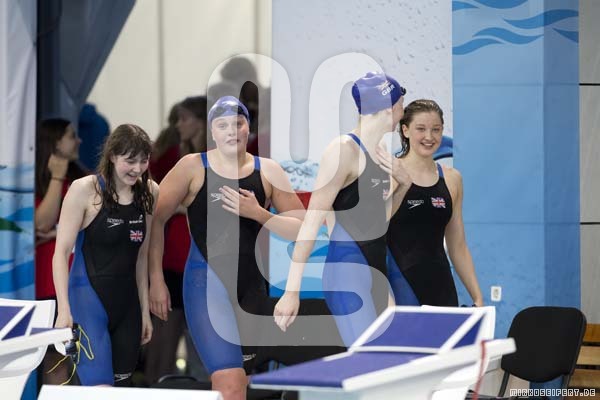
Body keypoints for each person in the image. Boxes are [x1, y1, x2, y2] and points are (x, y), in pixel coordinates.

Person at [148, 96, 304, 399]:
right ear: (212, 132)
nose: (231, 131)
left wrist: (260, 214)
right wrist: (156, 280)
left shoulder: (268, 171)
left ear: (248, 127)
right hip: (206, 285)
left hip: (251, 287)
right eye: (222, 125)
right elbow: (155, 219)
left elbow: (303, 228)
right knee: (230, 383)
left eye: (238, 123)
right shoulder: (193, 167)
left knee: (243, 384)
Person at [273, 72, 411, 346]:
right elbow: (311, 223)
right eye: (401, 104)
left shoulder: (380, 149)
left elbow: (380, 219)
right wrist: (291, 292)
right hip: (346, 272)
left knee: (391, 357)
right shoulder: (342, 151)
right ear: (388, 108)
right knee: (367, 361)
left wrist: (403, 184)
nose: (403, 111)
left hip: (376, 270)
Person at [53, 124, 158, 386]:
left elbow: (141, 257)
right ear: (112, 156)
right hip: (87, 302)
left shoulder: (150, 192)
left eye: (143, 160)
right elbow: (61, 253)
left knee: (122, 389)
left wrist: (145, 311)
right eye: (130, 161)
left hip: (128, 308)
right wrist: (63, 310)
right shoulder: (84, 190)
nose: (137, 168)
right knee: (99, 390)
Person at [386, 99, 483, 307]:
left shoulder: (452, 179)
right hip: (398, 287)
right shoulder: (389, 174)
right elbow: (371, 239)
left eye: (436, 129)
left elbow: (458, 246)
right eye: (421, 129)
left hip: (441, 286)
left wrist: (477, 296)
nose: (429, 137)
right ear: (405, 130)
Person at [144, 98, 207, 384]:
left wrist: (184, 205)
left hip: (201, 260)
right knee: (163, 341)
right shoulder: (171, 155)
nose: (178, 125)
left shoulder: (216, 160)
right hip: (172, 258)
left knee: (200, 345)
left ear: (201, 121)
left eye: (184, 118)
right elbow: (153, 198)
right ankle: (156, 388)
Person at [35, 118, 87, 301]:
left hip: (82, 277)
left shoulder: (82, 178)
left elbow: (98, 220)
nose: (79, 141)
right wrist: (57, 176)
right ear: (56, 143)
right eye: (72, 136)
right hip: (49, 279)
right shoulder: (36, 181)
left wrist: (59, 232)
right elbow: (42, 225)